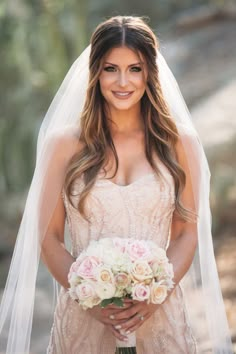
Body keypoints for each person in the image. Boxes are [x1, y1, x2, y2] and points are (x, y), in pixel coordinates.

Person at [0, 16, 233, 354]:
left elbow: (185, 232)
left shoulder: (180, 143)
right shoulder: (63, 145)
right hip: (83, 319)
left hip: (158, 316)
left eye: (134, 69)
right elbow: (48, 238)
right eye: (111, 68)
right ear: (95, 72)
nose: (123, 81)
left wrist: (157, 294)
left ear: (150, 72)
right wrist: (89, 296)